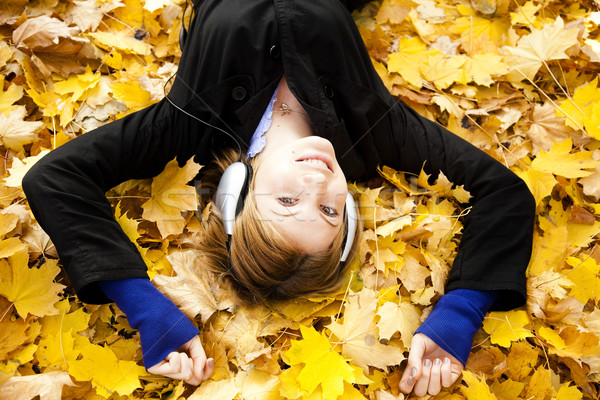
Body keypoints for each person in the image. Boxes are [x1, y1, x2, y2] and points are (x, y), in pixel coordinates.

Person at [21, 0, 535, 396]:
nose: (318, 186)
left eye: (287, 203)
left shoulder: (186, 128)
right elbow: (505, 194)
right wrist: (462, 310)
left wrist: (144, 306)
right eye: (331, 211)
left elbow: (56, 179)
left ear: (236, 191)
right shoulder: (377, 130)